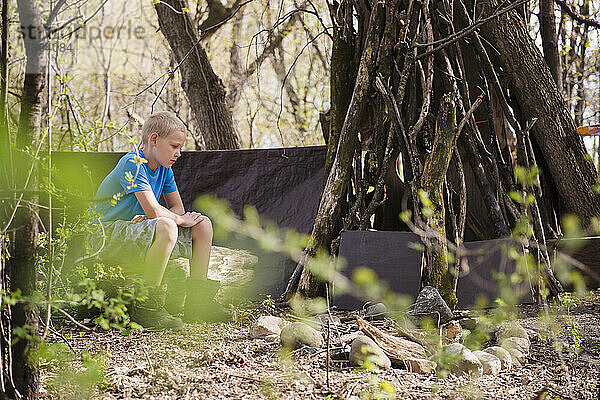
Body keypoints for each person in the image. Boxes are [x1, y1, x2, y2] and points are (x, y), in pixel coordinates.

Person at [90, 111, 230, 330]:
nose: (179, 153)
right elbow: (159, 212)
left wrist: (166, 217)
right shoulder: (133, 162)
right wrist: (173, 219)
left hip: (137, 229)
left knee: (203, 225)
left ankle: (199, 303)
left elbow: (176, 208)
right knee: (167, 225)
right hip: (105, 233)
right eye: (174, 147)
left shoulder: (165, 170)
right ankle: (148, 309)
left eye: (181, 148)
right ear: (154, 140)